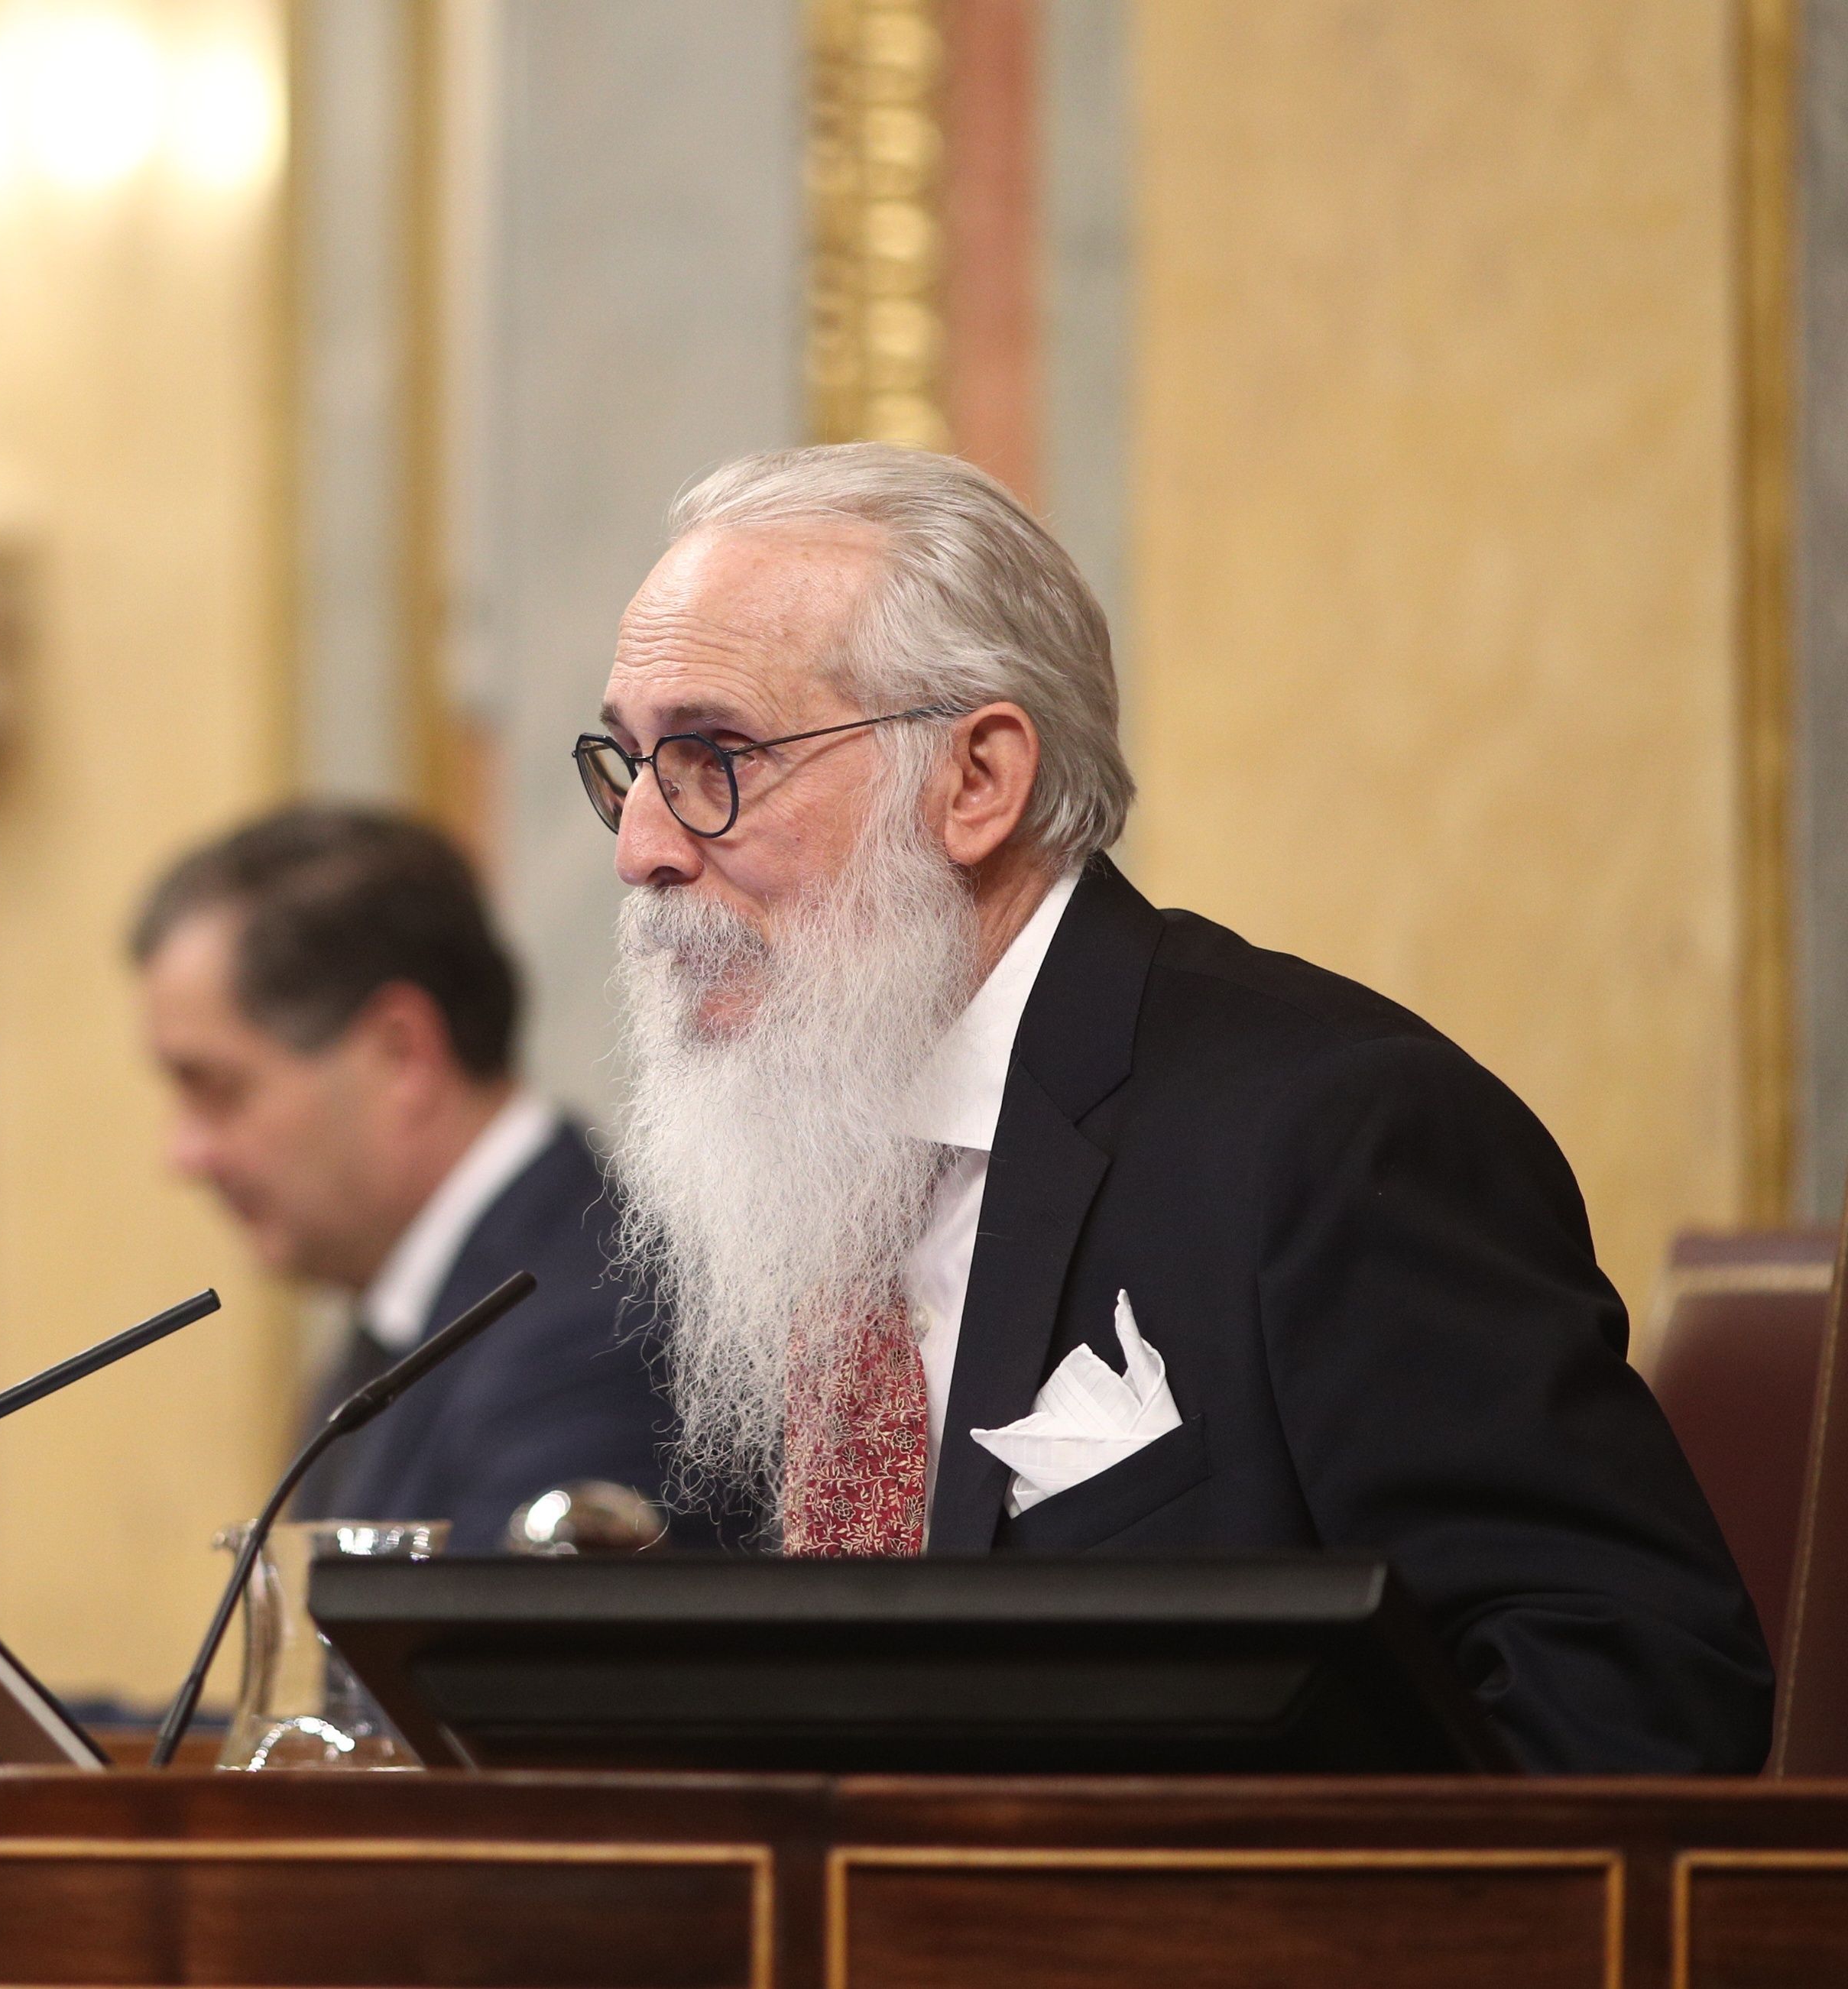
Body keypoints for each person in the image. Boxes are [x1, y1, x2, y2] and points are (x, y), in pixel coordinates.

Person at [584, 442, 1772, 1773]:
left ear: (975, 779)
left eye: (711, 757)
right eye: (625, 765)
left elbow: (1627, 1700)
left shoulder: (1329, 1133)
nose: (641, 845)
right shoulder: (811, 1155)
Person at [135, 807, 754, 1553]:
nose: (186, 1154)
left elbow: (462, 1669)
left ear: (402, 1053)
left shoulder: (591, 1333)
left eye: (219, 1088)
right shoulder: (410, 1314)